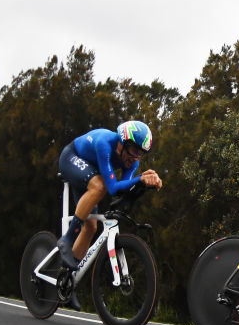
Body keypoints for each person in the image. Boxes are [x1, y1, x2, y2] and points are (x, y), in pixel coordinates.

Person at [56, 120, 163, 308]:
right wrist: (141, 179)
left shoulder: (132, 163)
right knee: (100, 186)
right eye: (133, 150)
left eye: (141, 153)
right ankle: (66, 239)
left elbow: (123, 192)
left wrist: (143, 185)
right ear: (122, 143)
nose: (136, 157)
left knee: (91, 227)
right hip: (71, 157)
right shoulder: (105, 143)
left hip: (90, 172)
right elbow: (113, 188)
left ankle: (66, 282)